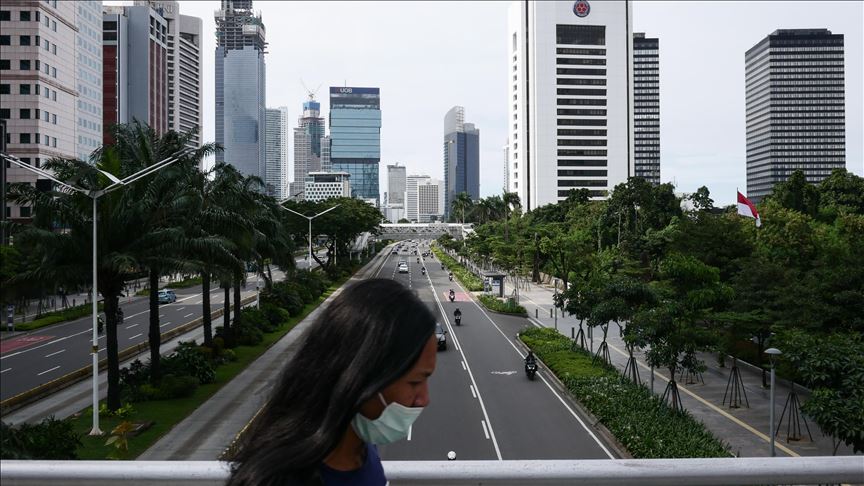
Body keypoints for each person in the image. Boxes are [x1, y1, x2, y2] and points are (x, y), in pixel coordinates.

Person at [227, 279, 438, 486]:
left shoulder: (361, 452)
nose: (424, 399)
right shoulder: (281, 479)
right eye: (415, 382)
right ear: (362, 376)